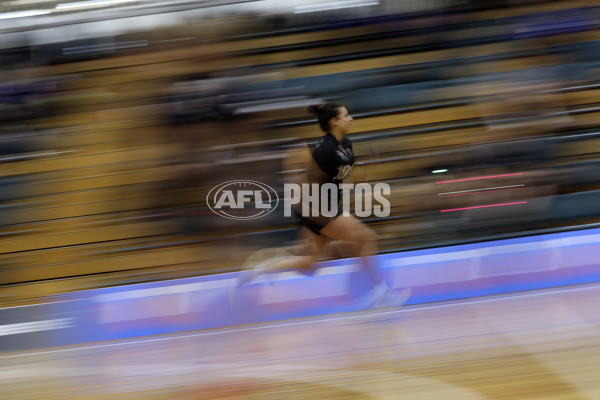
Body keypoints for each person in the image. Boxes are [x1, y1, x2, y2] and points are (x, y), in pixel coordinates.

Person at [231, 102, 409, 308]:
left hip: (325, 207)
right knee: (366, 238)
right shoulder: (325, 150)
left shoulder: (346, 145)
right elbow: (312, 184)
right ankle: (379, 294)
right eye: (346, 115)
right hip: (319, 208)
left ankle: (259, 270)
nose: (351, 119)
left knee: (310, 264)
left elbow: (344, 181)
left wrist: (368, 172)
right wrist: (315, 216)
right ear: (334, 121)